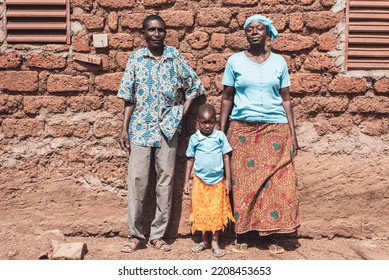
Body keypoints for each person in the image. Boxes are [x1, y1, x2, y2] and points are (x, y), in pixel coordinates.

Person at [117, 14, 205, 253]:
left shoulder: (174, 57)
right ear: (143, 33)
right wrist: (124, 128)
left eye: (161, 30)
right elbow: (129, 97)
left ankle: (157, 235)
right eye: (152, 30)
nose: (156, 34)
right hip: (140, 129)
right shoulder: (136, 58)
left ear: (166, 33)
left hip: (168, 131)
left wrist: (182, 112)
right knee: (138, 182)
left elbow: (195, 86)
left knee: (165, 182)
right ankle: (135, 235)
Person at [220, 14, 300, 254]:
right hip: (242, 129)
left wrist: (293, 134)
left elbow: (286, 100)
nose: (254, 32)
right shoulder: (235, 61)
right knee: (243, 184)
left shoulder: (278, 62)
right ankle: (243, 234)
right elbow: (226, 98)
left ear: (267, 34)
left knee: (275, 184)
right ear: (246, 34)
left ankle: (272, 237)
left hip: (275, 129)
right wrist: (221, 132)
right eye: (250, 29)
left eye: (259, 28)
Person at [184, 103, 235, 258]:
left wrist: (228, 179)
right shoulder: (194, 139)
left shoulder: (220, 136)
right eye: (204, 122)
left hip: (218, 180)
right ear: (198, 122)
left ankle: (214, 242)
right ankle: (204, 241)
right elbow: (190, 159)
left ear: (216, 122)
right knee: (201, 212)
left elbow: (226, 157)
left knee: (216, 211)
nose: (207, 125)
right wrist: (186, 181)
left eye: (211, 122)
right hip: (200, 181)